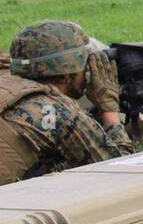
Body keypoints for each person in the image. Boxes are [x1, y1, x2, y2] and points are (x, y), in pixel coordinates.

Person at [0, 20, 134, 184]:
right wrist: (110, 111)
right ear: (67, 74)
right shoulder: (60, 112)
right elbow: (120, 174)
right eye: (85, 64)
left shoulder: (6, 83)